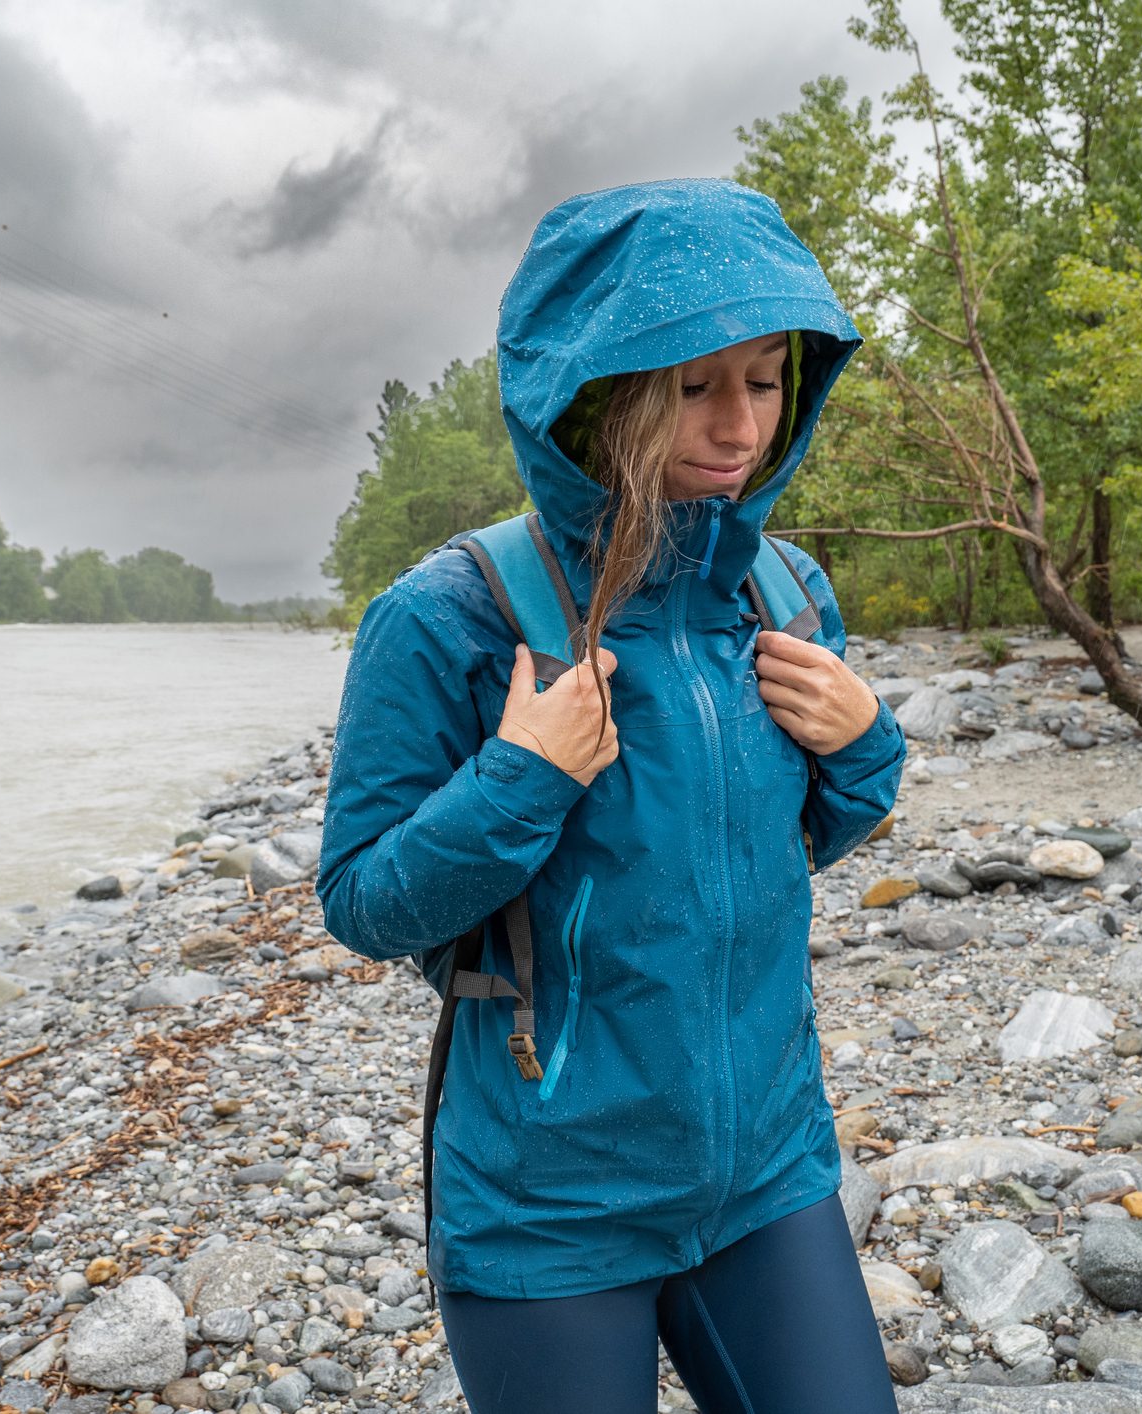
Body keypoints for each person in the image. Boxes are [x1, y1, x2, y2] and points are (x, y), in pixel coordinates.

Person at [314, 178, 906, 1413]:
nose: (740, 424)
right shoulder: (449, 617)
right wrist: (520, 780)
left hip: (768, 1172)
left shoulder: (782, 591)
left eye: (764, 376)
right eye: (693, 385)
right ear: (598, 390)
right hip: (549, 1205)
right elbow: (366, 901)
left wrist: (866, 751)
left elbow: (780, 843)